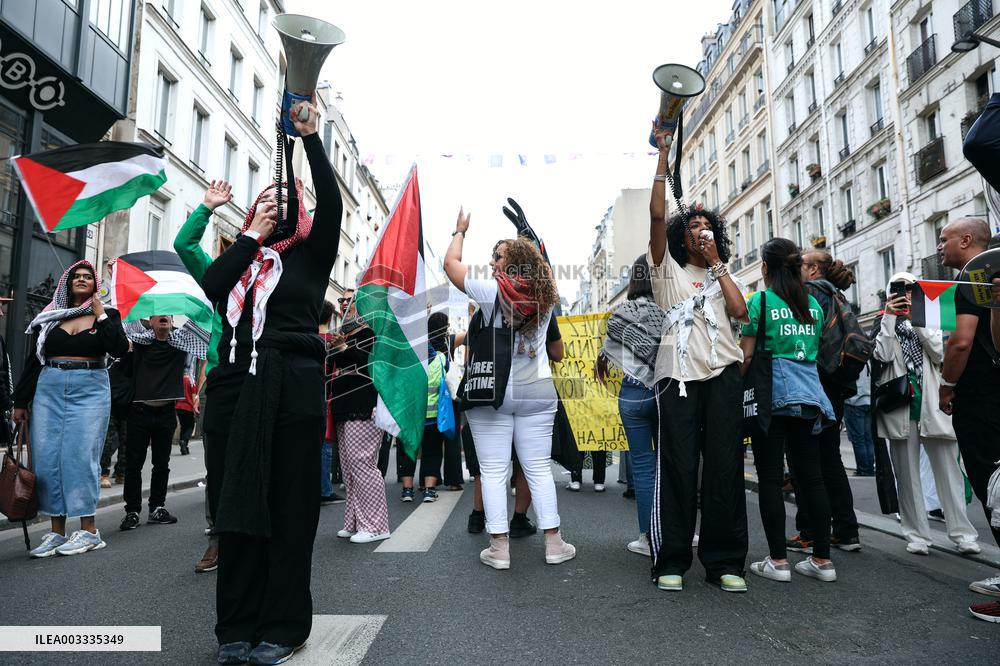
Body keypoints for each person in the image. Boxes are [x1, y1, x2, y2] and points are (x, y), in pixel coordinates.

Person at [203, 100, 342, 665]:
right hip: (236, 387)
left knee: (288, 509)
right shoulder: (244, 259)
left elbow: (330, 203)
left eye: (287, 202)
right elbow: (213, 285)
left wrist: (310, 140)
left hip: (293, 384)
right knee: (234, 509)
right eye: (267, 202)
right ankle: (236, 624)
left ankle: (282, 626)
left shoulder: (310, 257)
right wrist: (250, 239)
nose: (277, 207)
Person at [647, 123, 749, 593]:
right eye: (693, 227)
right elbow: (655, 215)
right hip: (679, 378)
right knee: (681, 466)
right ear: (679, 236)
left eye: (707, 226)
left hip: (723, 375)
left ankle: (724, 561)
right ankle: (671, 559)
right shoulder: (666, 269)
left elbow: (739, 311)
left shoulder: (724, 272)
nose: (701, 231)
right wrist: (662, 159)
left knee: (725, 466)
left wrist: (718, 262)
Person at [444, 208, 576, 570]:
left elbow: (450, 264)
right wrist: (529, 236)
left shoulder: (491, 292)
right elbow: (544, 268)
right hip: (537, 391)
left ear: (509, 263)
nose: (491, 263)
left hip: (493, 393)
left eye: (497, 257)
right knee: (536, 468)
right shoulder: (546, 294)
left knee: (493, 468)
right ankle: (554, 542)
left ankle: (499, 547)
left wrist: (460, 231)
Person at [13, 261, 128, 558]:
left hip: (90, 388)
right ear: (67, 283)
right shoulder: (50, 317)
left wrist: (101, 313)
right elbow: (34, 360)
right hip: (49, 387)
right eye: (76, 276)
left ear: (95, 284)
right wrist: (20, 402)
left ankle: (89, 531)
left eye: (87, 277)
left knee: (81, 457)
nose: (81, 279)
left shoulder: (108, 315)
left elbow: (118, 348)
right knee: (47, 457)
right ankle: (56, 532)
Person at [741, 238, 838, 583]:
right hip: (810, 394)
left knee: (769, 477)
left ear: (765, 268)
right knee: (811, 476)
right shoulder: (813, 304)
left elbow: (747, 355)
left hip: (771, 396)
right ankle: (823, 560)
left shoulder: (760, 302)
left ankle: (778, 562)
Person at [873, 272, 980, 557]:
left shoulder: (930, 318)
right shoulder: (885, 322)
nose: (905, 293)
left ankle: (963, 534)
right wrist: (889, 317)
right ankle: (917, 535)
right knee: (907, 477)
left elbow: (937, 352)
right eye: (899, 289)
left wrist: (916, 316)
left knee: (949, 473)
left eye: (911, 288)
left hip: (933, 404)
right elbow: (881, 355)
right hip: (900, 407)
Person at [936, 217, 1000, 615]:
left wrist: (947, 385)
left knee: (992, 483)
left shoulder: (970, 283)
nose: (940, 246)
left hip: (980, 397)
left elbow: (961, 342)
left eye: (943, 239)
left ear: (965, 240)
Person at [173, 178, 232, 574]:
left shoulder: (275, 280)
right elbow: (185, 246)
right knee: (219, 466)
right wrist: (207, 208)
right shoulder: (221, 280)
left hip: (262, 378)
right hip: (222, 380)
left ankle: (254, 535)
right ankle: (217, 537)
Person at [786, 251, 862, 553]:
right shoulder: (839, 296)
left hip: (814, 380)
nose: (795, 272)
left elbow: (801, 338)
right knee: (830, 459)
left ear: (813, 269)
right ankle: (846, 530)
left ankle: (809, 532)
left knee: (804, 458)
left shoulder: (809, 293)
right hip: (836, 384)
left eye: (800, 266)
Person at [595, 254, 661, 557]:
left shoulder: (621, 313)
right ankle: (674, 530)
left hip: (633, 393)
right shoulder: (668, 309)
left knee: (644, 468)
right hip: (665, 393)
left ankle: (647, 537)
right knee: (671, 464)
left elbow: (604, 359)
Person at [119, 315, 202, 531]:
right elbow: (124, 326)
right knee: (134, 464)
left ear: (172, 321)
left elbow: (201, 327)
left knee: (162, 464)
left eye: (169, 314)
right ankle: (132, 511)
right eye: (159, 314)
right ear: (152, 321)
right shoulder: (138, 341)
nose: (164, 317)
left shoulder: (181, 343)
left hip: (166, 413)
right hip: (139, 410)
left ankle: (157, 507)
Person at [329, 290, 389, 544]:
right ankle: (355, 521)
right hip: (345, 406)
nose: (343, 304)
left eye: (348, 301)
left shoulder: (374, 333)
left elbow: (372, 365)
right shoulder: (349, 333)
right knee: (350, 469)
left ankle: (376, 525)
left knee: (363, 465)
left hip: (364, 407)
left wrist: (343, 347)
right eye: (342, 301)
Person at [398, 312, 451, 502]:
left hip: (411, 415)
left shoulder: (409, 361)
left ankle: (407, 491)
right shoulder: (442, 359)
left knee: (408, 451)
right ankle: (429, 490)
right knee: (432, 452)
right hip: (433, 416)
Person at [318, 298, 345, 506]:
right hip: (329, 395)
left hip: (308, 391)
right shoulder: (333, 341)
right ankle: (324, 489)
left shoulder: (309, 337)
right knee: (325, 444)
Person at [99, 357, 131, 487]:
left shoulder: (132, 358)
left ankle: (120, 473)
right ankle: (105, 473)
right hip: (112, 404)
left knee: (125, 441)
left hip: (126, 404)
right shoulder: (110, 360)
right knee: (109, 440)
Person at [843, 365, 875, 476]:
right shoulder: (868, 357)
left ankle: (864, 470)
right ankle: (869, 468)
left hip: (854, 402)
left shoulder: (854, 354)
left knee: (858, 439)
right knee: (868, 438)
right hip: (868, 399)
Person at [175, 363, 199, 456]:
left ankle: (184, 447)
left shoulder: (179, 380)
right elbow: (193, 396)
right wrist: (194, 408)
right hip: (188, 407)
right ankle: (184, 441)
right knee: (190, 426)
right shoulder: (191, 381)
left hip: (179, 406)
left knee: (183, 426)